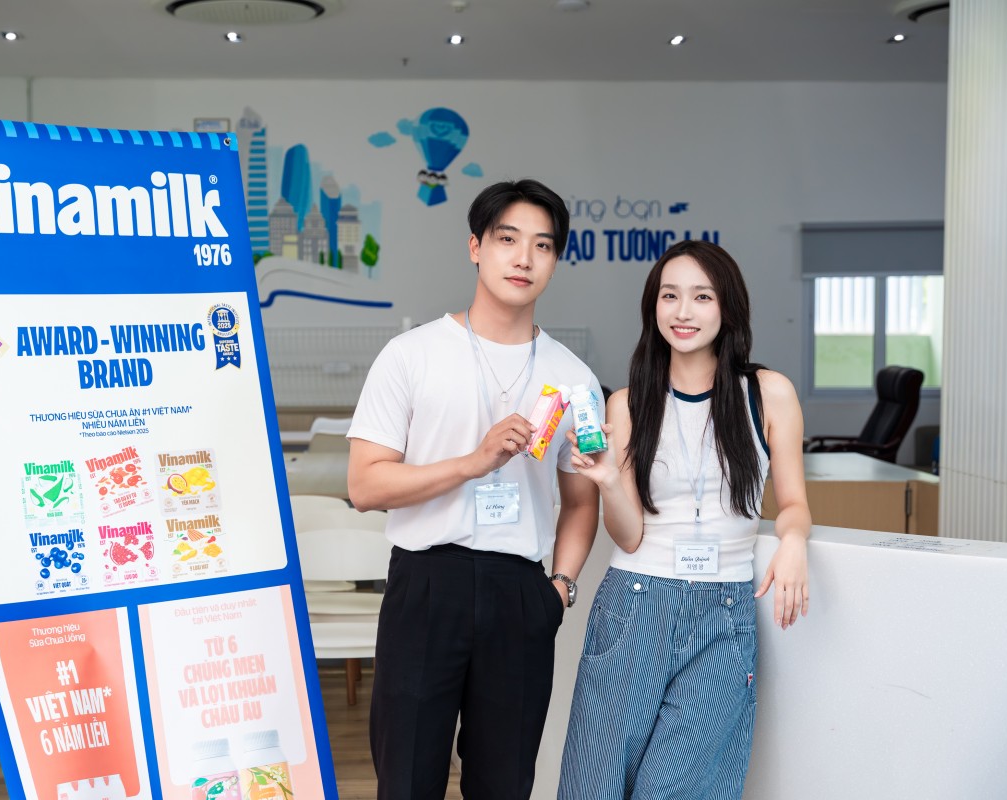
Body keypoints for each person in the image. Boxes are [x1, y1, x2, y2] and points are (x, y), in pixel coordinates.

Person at [347, 178, 602, 800]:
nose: (524, 258)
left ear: (555, 260)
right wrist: (472, 462)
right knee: (407, 779)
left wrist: (560, 589)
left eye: (543, 245)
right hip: (426, 583)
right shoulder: (411, 355)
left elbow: (582, 500)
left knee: (505, 782)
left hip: (522, 594)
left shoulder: (574, 378)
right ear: (475, 248)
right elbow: (365, 485)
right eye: (507, 239)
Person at [557, 239, 811, 800]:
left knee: (676, 788)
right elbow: (628, 534)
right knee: (596, 784)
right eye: (669, 296)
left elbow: (793, 501)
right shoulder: (627, 403)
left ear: (727, 307)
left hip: (724, 612)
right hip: (634, 604)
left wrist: (793, 541)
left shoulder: (768, 394)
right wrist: (606, 480)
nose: (683, 311)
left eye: (702, 296)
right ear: (653, 306)